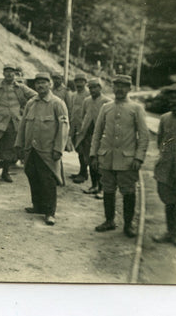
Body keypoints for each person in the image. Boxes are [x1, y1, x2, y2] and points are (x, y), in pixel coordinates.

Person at [90, 74, 149, 238]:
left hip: (127, 161)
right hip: (107, 158)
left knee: (128, 192)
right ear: (112, 88)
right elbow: (97, 133)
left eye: (123, 86)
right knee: (108, 190)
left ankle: (128, 225)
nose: (120, 89)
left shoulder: (136, 108)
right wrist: (93, 154)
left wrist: (138, 157)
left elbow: (144, 136)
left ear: (129, 89)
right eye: (117, 86)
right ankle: (109, 221)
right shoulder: (106, 107)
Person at [15, 72, 70, 225]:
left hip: (47, 150)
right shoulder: (31, 103)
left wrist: (58, 148)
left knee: (48, 181)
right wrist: (19, 144)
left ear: (50, 84)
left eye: (44, 82)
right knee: (32, 175)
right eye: (38, 83)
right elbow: (23, 125)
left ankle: (50, 212)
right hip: (31, 149)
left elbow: (64, 127)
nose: (40, 85)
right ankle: (37, 205)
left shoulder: (57, 103)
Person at [0, 64, 37, 182]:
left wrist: (24, 109)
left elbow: (35, 96)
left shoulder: (20, 87)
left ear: (15, 74)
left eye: (12, 72)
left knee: (10, 148)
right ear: (3, 73)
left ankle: (5, 172)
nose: (9, 74)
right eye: (7, 71)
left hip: (14, 122)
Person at [152, 83, 176, 247]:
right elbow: (160, 140)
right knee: (168, 200)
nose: (173, 101)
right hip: (167, 166)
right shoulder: (165, 118)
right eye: (171, 97)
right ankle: (170, 231)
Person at [74, 78, 111, 197]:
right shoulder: (87, 101)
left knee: (100, 163)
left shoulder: (107, 101)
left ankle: (102, 188)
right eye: (90, 88)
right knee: (90, 161)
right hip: (88, 135)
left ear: (100, 88)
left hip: (101, 136)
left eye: (95, 87)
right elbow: (83, 116)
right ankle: (93, 185)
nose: (93, 90)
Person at [69, 73, 91, 183]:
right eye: (77, 81)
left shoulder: (88, 95)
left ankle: (84, 173)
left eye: (81, 81)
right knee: (78, 150)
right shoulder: (73, 95)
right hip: (75, 127)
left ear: (85, 82)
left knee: (84, 151)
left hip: (85, 128)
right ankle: (82, 172)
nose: (79, 84)